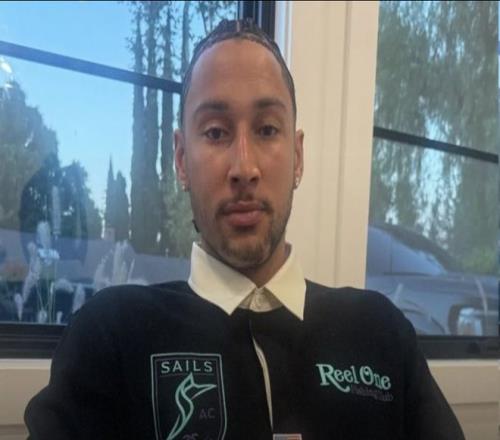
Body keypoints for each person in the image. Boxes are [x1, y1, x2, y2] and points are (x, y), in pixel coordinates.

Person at [25, 19, 465, 440]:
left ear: (297, 157)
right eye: (216, 133)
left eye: (267, 129)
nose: (244, 167)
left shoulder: (380, 332)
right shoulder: (113, 336)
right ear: (181, 159)